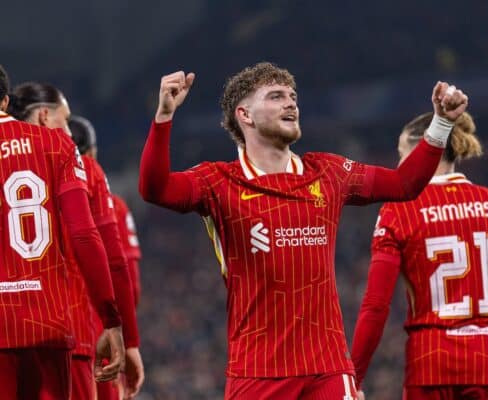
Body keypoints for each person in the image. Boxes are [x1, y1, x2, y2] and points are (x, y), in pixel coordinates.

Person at [139, 62, 468, 399]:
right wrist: (163, 116)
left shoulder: (328, 172)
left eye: (293, 96)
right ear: (245, 115)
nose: (291, 103)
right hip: (257, 372)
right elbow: (155, 189)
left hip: (328, 370)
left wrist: (441, 123)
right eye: (276, 96)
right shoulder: (219, 181)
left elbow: (404, 184)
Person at [350, 112, 488, 400]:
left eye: (402, 155)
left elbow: (376, 306)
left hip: (429, 367)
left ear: (424, 150)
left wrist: (355, 378)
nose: (399, 166)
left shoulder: (398, 212)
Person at [8, 83, 141, 400]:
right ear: (43, 116)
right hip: (69, 330)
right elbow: (117, 263)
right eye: (64, 120)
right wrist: (126, 334)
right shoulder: (76, 162)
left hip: (7, 328)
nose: (67, 129)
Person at [70, 114, 145, 399]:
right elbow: (130, 281)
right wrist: (127, 339)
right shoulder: (113, 205)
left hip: (47, 330)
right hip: (100, 340)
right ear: (91, 154)